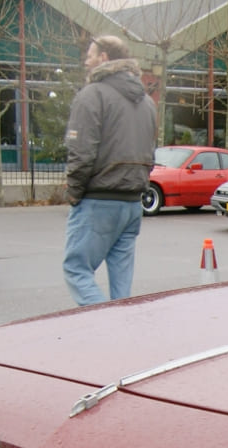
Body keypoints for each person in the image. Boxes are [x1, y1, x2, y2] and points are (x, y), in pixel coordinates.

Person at [62, 35, 158, 306]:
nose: (86, 60)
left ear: (104, 57)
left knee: (76, 268)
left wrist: (74, 192)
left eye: (90, 54)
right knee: (121, 282)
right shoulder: (147, 102)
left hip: (98, 198)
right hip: (131, 203)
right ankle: (123, 332)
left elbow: (82, 151)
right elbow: (150, 151)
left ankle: (106, 325)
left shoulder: (92, 95)